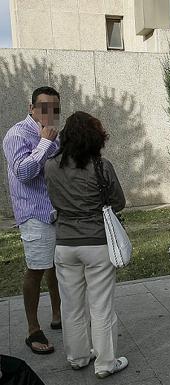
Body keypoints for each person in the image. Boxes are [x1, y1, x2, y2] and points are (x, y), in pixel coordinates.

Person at [44, 111, 128, 378]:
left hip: (65, 243)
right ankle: (105, 363)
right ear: (96, 137)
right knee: (101, 307)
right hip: (97, 242)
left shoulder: (50, 166)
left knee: (71, 305)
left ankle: (78, 356)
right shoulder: (102, 166)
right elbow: (119, 202)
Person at [2, 86, 62, 355]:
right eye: (44, 108)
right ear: (31, 108)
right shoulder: (17, 134)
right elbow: (24, 173)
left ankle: (59, 316)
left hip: (56, 210)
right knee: (37, 268)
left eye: (54, 108)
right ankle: (32, 329)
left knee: (57, 267)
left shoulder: (53, 134)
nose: (49, 113)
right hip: (34, 213)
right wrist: (45, 143)